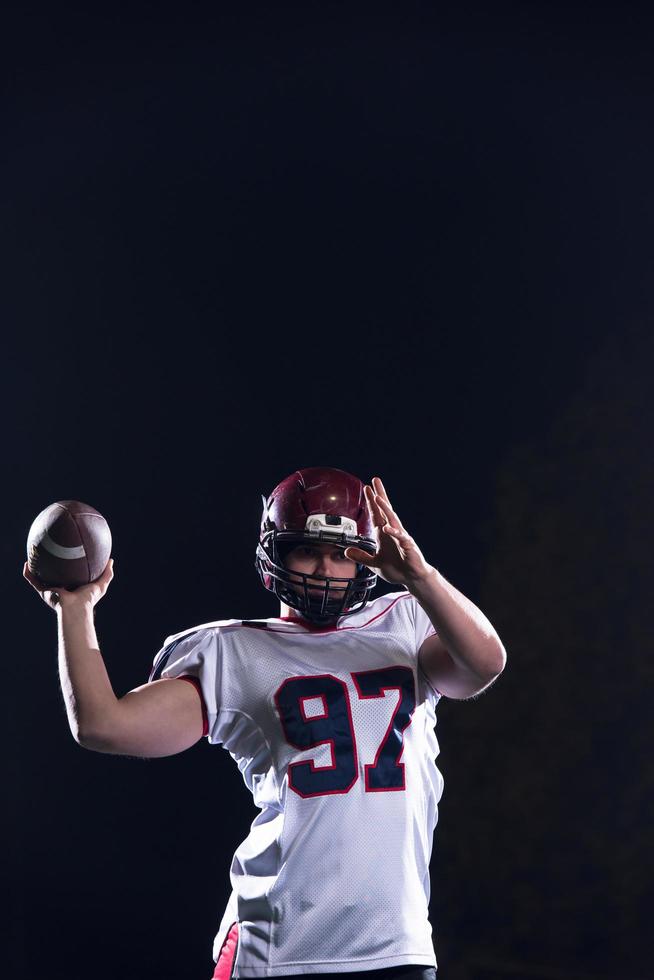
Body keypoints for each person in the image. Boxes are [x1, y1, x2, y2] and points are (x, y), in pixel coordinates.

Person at [24, 468, 506, 979]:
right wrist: (73, 610)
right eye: (307, 550)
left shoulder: (407, 621)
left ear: (366, 556)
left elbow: (485, 664)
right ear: (275, 553)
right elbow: (103, 724)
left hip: (395, 944)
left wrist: (422, 577)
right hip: (274, 944)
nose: (325, 568)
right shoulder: (232, 651)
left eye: (342, 553)